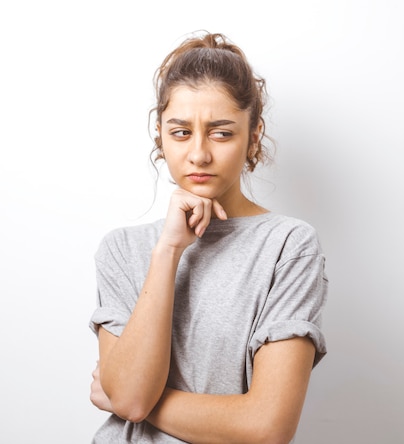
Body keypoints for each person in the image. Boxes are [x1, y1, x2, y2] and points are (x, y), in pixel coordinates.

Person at [88, 31, 328, 443]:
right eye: (181, 132)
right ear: (160, 136)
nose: (198, 154)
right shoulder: (121, 250)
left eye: (221, 133)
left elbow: (267, 427)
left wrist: (136, 401)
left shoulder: (288, 246)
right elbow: (128, 399)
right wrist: (168, 250)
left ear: (253, 135)